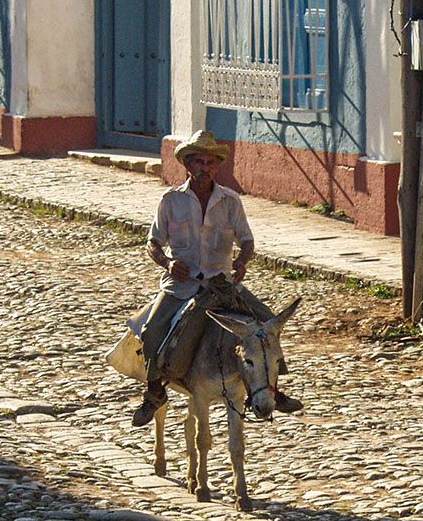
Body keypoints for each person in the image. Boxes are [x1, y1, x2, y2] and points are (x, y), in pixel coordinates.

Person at [130, 129, 303, 427]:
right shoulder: (170, 200)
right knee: (151, 331)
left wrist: (242, 261)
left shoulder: (230, 201)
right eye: (198, 162)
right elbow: (153, 242)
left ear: (217, 167)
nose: (205, 168)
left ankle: (274, 389)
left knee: (268, 323)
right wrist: (168, 263)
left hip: (221, 285)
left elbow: (246, 240)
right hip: (181, 287)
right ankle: (155, 392)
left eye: (210, 163)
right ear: (187, 165)